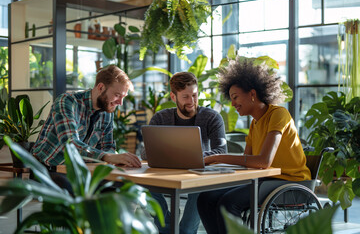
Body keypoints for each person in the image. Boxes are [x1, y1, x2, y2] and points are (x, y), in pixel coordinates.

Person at [197, 58, 311, 234]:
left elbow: (263, 161)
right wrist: (215, 166)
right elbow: (247, 162)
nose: (233, 103)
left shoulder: (279, 114)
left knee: (229, 202)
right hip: (266, 181)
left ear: (252, 93)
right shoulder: (255, 123)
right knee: (206, 198)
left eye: (235, 97)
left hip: (289, 182)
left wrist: (216, 157)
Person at [141, 72, 227, 234]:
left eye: (194, 95)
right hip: (166, 174)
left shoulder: (212, 118)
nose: (192, 101)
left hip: (199, 176)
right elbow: (146, 153)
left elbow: (222, 150)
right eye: (185, 97)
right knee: (145, 187)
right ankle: (166, 223)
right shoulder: (160, 118)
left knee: (186, 230)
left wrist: (196, 157)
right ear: (174, 97)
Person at [32, 65, 142, 170]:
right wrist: (107, 156)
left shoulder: (107, 111)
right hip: (48, 169)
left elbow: (108, 147)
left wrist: (117, 158)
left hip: (80, 170)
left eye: (123, 97)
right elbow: (70, 145)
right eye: (117, 95)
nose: (120, 103)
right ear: (101, 87)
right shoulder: (67, 101)